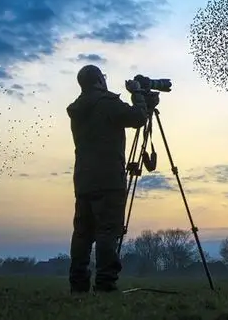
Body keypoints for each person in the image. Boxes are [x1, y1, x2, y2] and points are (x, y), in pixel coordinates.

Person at [66, 64, 153, 294]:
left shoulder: (79, 108)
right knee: (107, 231)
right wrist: (138, 95)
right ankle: (105, 284)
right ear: (98, 81)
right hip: (108, 179)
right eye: (103, 78)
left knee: (82, 233)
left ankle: (78, 285)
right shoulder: (106, 102)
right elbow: (138, 118)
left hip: (83, 180)